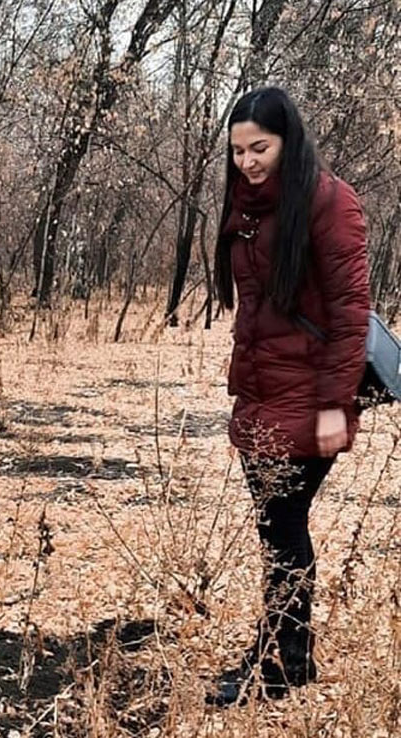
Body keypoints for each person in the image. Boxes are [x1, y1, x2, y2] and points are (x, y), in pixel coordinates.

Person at [206, 86, 370, 707]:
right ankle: (292, 659)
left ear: (289, 140)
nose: (248, 161)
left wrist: (336, 405)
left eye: (261, 148)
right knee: (279, 528)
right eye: (238, 150)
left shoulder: (330, 203)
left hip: (309, 394)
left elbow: (352, 314)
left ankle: (275, 659)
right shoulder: (247, 203)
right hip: (261, 390)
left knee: (282, 530)